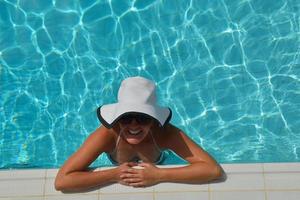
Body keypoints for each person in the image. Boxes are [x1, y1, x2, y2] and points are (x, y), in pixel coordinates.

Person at [55, 76, 223, 191]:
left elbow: (212, 170)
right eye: (126, 118)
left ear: (153, 119)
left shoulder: (165, 133)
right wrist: (113, 175)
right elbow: (63, 180)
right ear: (117, 118)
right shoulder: (108, 135)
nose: (133, 125)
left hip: (160, 164)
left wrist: (160, 175)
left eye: (142, 118)